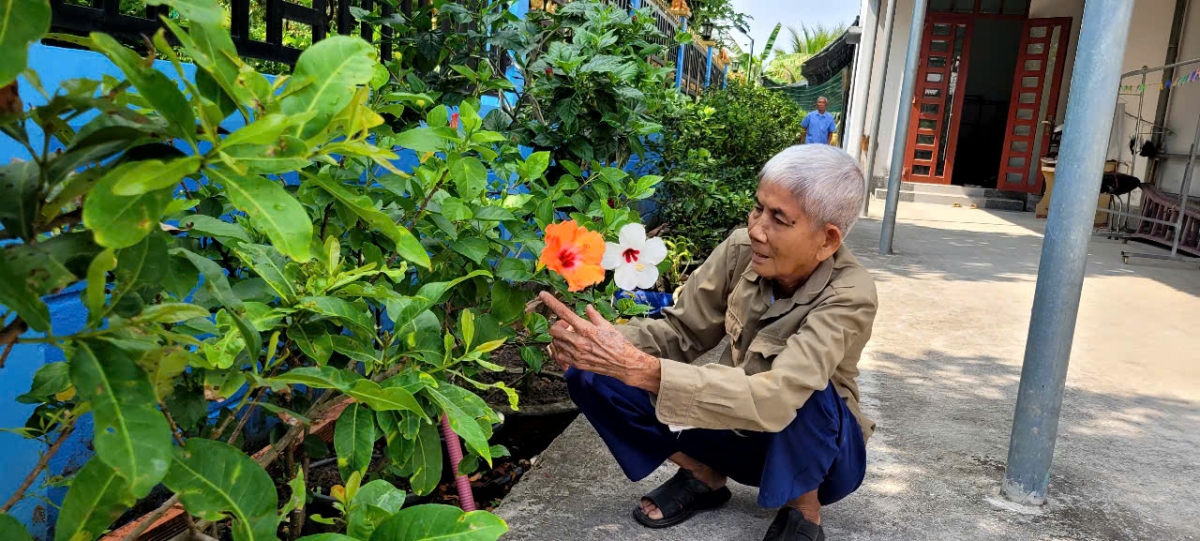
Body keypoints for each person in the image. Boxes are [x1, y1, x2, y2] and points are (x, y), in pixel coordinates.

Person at [541, 144, 876, 541]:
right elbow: (681, 331)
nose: (757, 229)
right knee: (593, 371)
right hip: (737, 430)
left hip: (821, 461)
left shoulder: (849, 294)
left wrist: (643, 370)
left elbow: (778, 397)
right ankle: (702, 474)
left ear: (827, 240)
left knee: (808, 391)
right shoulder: (741, 250)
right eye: (758, 208)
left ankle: (803, 509)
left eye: (778, 219)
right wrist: (599, 345)